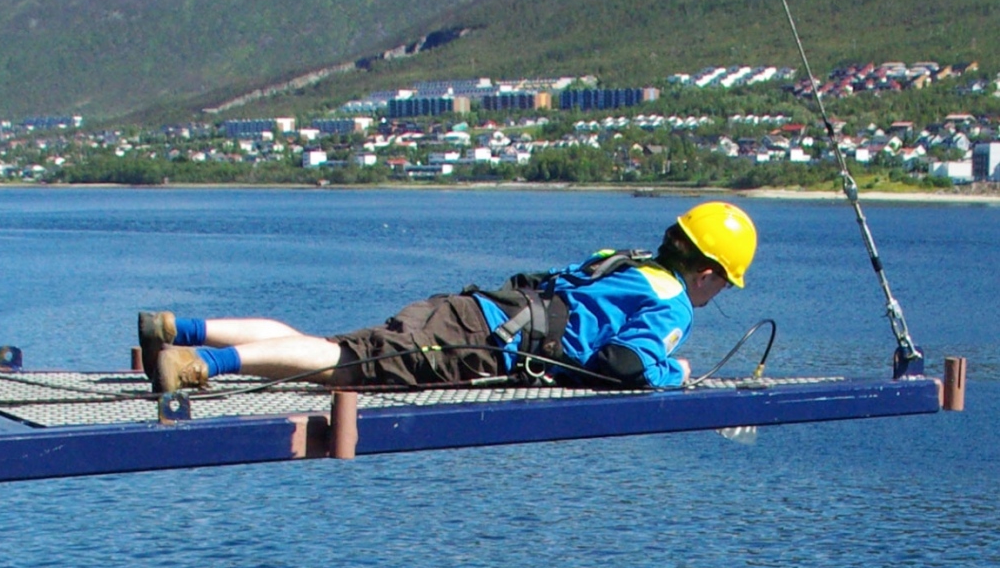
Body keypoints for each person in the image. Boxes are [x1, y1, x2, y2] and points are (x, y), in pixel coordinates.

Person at [138, 201, 757, 394]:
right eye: (725, 280)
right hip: (481, 344)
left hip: (471, 311)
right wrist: (671, 374)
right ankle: (197, 365)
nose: (719, 292)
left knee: (330, 343)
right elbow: (620, 365)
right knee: (337, 363)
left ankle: (179, 327)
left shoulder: (623, 261)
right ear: (706, 271)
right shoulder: (672, 302)